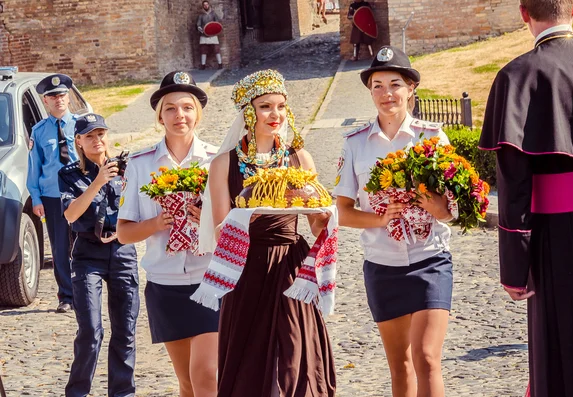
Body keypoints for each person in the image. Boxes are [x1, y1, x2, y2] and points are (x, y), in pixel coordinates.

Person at [479, 0, 573, 395]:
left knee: (564, 346)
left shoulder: (515, 76)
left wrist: (514, 269)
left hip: (555, 237)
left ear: (523, 14)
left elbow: (514, 186)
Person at [203, 69, 336, 396]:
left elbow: (317, 225)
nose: (274, 114)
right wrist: (253, 212)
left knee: (293, 355)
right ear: (249, 111)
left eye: (279, 106)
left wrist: (323, 217)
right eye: (265, 106)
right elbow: (221, 233)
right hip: (247, 270)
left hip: (291, 264)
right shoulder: (223, 164)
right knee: (252, 360)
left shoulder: (299, 158)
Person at [334, 46, 455, 397]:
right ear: (370, 91)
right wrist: (380, 216)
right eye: (378, 85)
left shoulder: (432, 137)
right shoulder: (355, 144)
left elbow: (453, 208)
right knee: (400, 366)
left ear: (411, 89)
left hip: (430, 261)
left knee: (427, 357)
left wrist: (436, 207)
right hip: (382, 267)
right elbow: (342, 211)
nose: (387, 94)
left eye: (395, 84)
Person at [117, 71, 219, 397]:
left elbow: (237, 227)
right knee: (187, 384)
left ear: (197, 114)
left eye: (187, 107)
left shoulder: (218, 160)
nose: (180, 115)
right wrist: (156, 223)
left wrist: (209, 220)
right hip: (165, 287)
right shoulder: (139, 164)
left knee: (207, 376)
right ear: (160, 115)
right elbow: (123, 233)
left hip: (212, 283)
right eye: (171, 108)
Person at [58, 113, 139, 397]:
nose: (97, 140)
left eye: (101, 134)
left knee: (125, 331)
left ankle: (122, 393)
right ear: (79, 141)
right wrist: (98, 182)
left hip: (122, 250)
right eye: (89, 136)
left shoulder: (127, 168)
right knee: (90, 332)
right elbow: (70, 214)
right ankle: (77, 392)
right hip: (87, 253)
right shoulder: (68, 174)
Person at [27, 73, 77, 313]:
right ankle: (66, 296)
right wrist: (36, 198)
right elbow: (34, 168)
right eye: (53, 97)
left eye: (62, 95)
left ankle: (86, 291)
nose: (59, 100)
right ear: (45, 101)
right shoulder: (38, 132)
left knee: (82, 244)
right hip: (52, 196)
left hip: (80, 195)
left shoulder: (82, 124)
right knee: (59, 248)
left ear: (68, 98)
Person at [196, 0, 223, 70]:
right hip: (204, 35)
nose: (206, 6)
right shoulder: (201, 15)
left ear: (209, 5)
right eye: (204, 5)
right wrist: (203, 31)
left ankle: (220, 64)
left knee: (216, 49)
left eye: (207, 4)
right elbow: (198, 25)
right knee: (203, 50)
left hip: (213, 34)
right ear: (203, 6)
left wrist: (214, 30)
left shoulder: (213, 14)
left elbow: (217, 24)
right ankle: (203, 65)